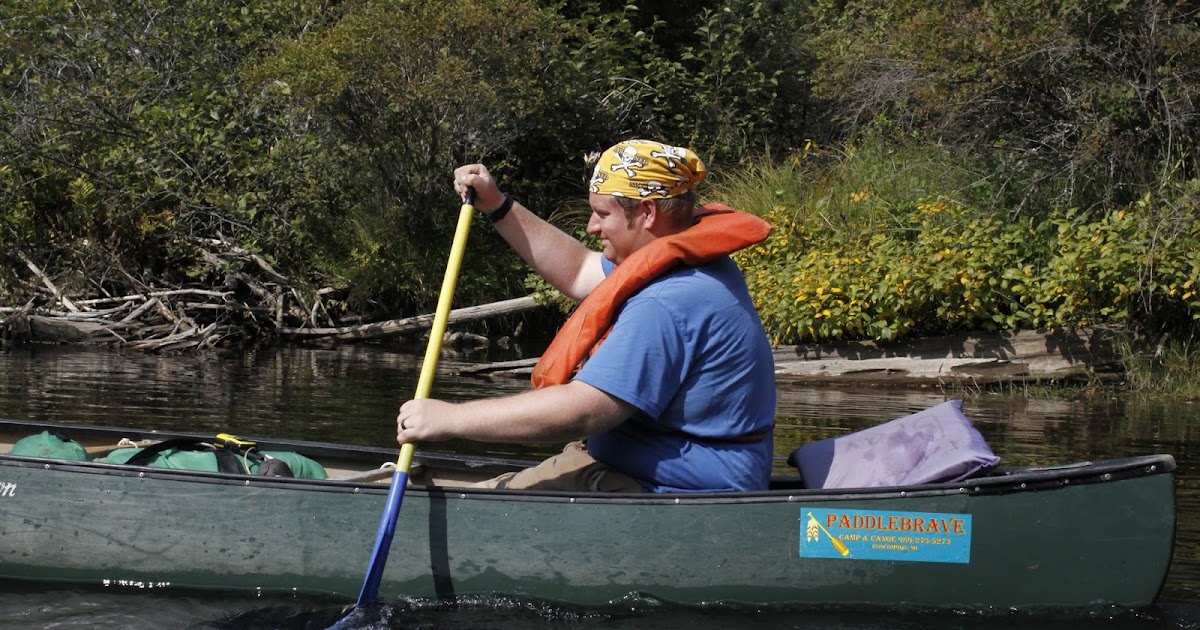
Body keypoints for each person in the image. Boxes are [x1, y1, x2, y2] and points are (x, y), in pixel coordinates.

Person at [395, 139, 776, 493]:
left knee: (475, 500)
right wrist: (498, 205)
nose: (592, 227)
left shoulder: (666, 302)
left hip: (676, 491)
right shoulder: (683, 261)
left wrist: (448, 419)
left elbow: (584, 411)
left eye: (601, 214)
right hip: (638, 463)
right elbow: (577, 269)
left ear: (646, 212)